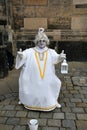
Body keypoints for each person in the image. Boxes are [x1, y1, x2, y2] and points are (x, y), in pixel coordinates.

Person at [15, 28, 66, 111]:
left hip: (47, 75)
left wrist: (60, 57)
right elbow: (24, 56)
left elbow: (56, 58)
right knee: (27, 82)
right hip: (33, 76)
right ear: (36, 42)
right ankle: (26, 100)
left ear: (46, 42)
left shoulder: (51, 51)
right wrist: (21, 56)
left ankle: (52, 101)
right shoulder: (30, 51)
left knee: (53, 83)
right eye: (39, 41)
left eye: (43, 41)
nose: (42, 42)